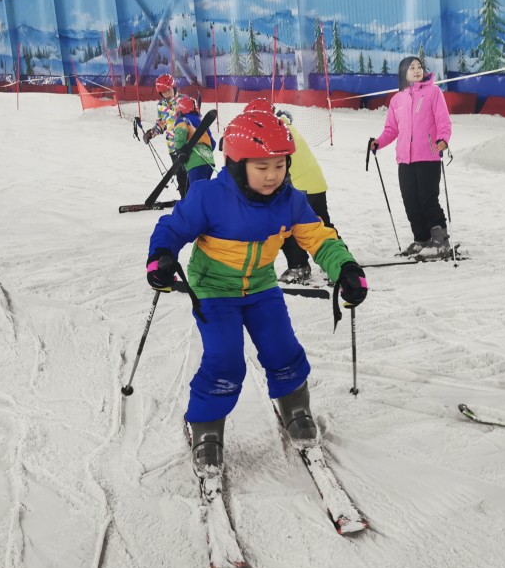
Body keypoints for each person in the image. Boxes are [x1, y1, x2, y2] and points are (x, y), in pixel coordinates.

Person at [146, 110, 368, 473]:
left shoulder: (291, 200)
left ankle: (294, 407)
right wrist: (161, 256)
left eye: (280, 165)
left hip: (261, 285)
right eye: (261, 166)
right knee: (225, 361)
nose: (272, 175)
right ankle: (204, 424)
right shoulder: (209, 196)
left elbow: (319, 237)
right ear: (236, 164)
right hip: (214, 288)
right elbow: (173, 227)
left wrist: (344, 267)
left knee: (283, 349)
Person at [242, 97, 334, 284]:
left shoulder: (274, 133)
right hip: (314, 184)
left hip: (300, 188)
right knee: (322, 227)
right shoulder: (283, 127)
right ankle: (335, 266)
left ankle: (299, 267)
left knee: (289, 229)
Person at [367, 57, 452, 258]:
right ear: (403, 73)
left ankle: (440, 241)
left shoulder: (433, 92)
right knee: (410, 201)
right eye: (412, 67)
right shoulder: (397, 100)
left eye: (419, 67)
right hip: (405, 159)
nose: (417, 70)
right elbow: (391, 129)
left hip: (428, 156)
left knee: (428, 199)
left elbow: (443, 121)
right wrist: (378, 142)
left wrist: (443, 139)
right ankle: (421, 239)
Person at [142, 74, 187, 196]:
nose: (167, 94)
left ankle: (196, 200)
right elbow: (161, 125)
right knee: (181, 176)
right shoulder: (161, 106)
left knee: (191, 173)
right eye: (163, 92)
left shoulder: (185, 100)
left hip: (187, 145)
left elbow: (195, 119)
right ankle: (185, 201)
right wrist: (151, 133)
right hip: (173, 147)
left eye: (168, 90)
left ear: (174, 87)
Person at [173, 94, 216, 188]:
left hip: (195, 162)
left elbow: (181, 132)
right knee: (203, 189)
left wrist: (179, 150)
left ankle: (196, 202)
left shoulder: (182, 120)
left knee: (197, 191)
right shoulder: (201, 123)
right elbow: (213, 143)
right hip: (209, 162)